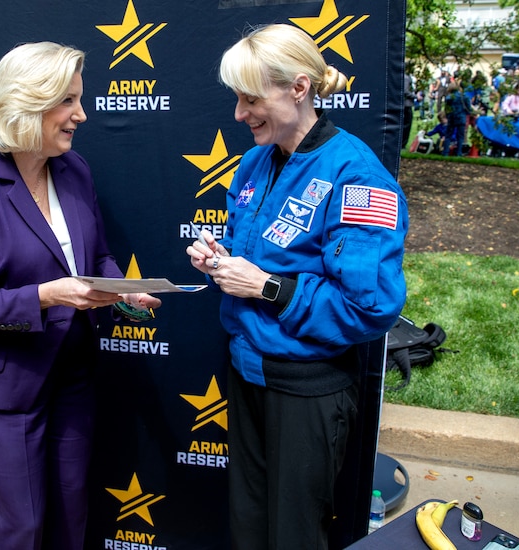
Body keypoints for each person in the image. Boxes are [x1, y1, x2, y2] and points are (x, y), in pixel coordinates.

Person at [0, 41, 160, 550]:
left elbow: (94, 262)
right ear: (27, 103)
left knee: (71, 515)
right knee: (24, 527)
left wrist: (123, 293)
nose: (82, 113)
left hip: (71, 371)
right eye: (68, 101)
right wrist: (47, 296)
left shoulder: (74, 169)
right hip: (3, 381)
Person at [185, 24, 407, 549]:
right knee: (248, 523)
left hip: (307, 388)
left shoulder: (358, 176)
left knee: (293, 535)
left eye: (250, 98)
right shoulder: (255, 161)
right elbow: (250, 256)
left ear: (299, 88)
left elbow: (367, 308)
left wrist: (267, 288)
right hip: (246, 371)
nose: (240, 114)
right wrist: (220, 262)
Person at [443, 82, 473, 156]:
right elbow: (469, 108)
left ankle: (445, 152)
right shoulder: (464, 96)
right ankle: (459, 152)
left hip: (451, 117)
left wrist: (447, 116)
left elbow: (446, 109)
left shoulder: (449, 98)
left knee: (448, 135)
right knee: (460, 136)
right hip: (461, 117)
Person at [402, 72, 417, 149]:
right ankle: (403, 144)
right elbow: (405, 91)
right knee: (407, 124)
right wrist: (415, 96)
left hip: (403, 104)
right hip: (406, 104)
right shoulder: (406, 78)